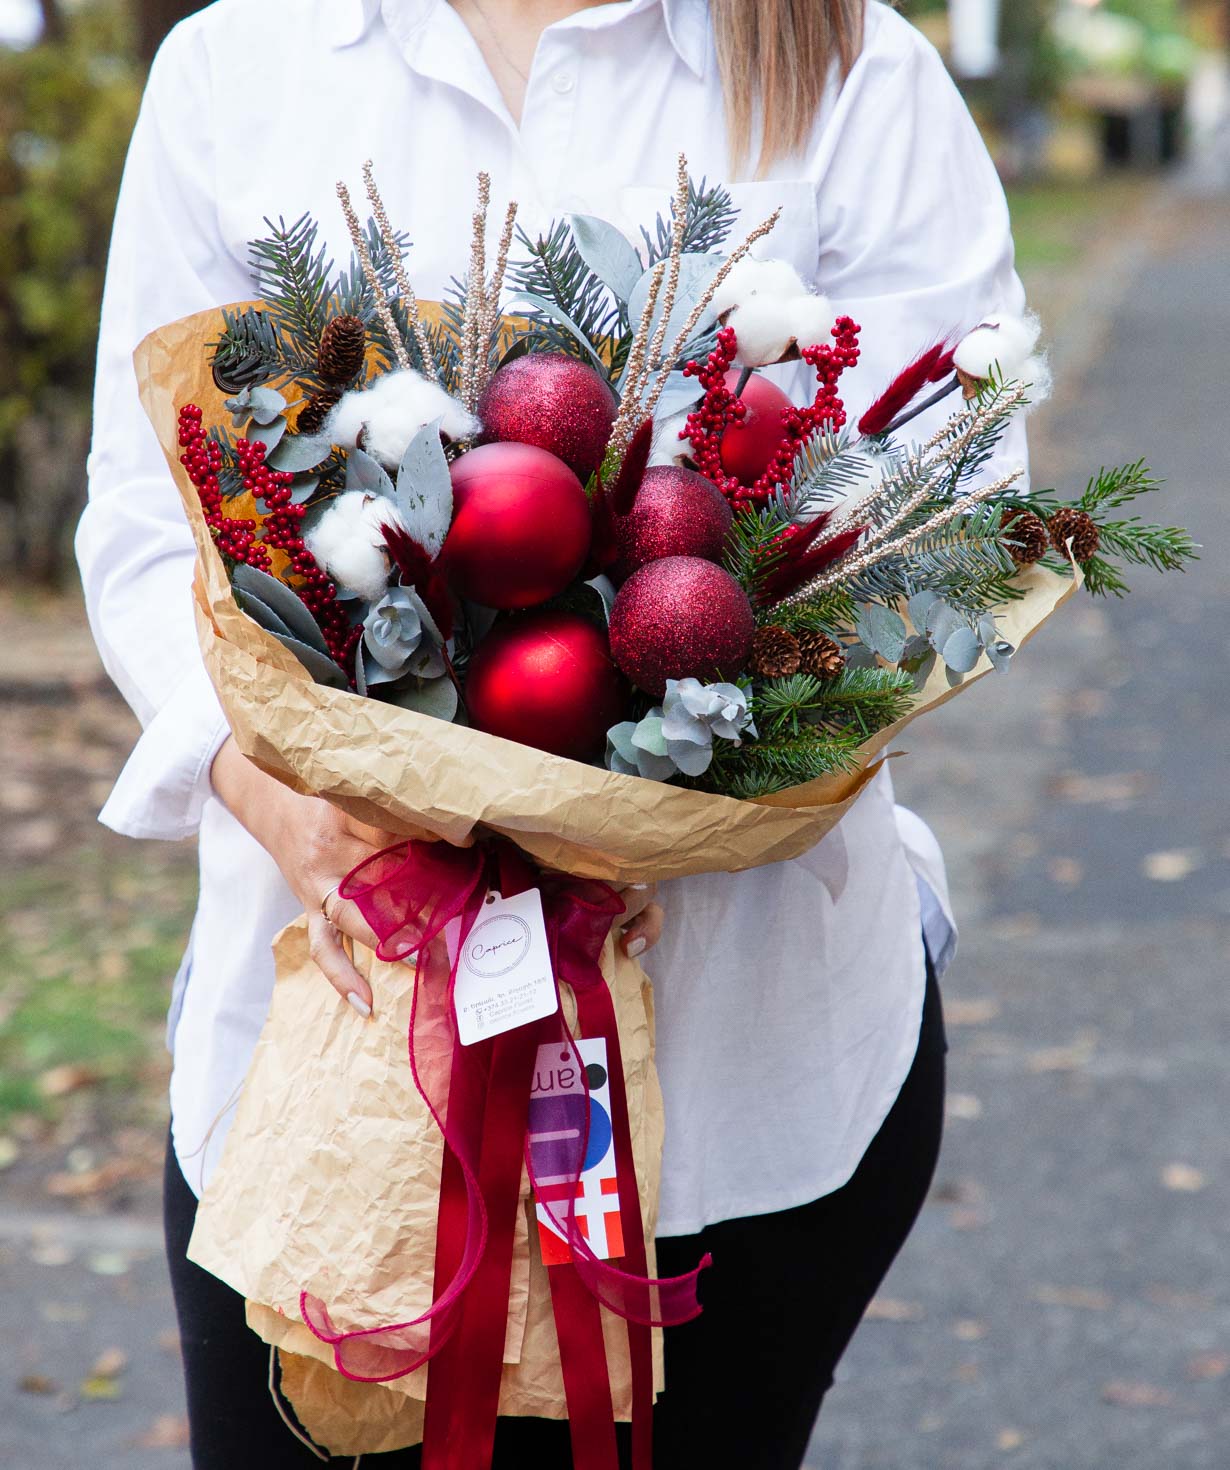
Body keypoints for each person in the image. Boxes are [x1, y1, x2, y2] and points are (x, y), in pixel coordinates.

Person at [79, 1, 1027, 1465]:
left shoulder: (846, 65)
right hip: (336, 1063)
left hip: (745, 1069)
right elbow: (151, 525)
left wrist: (691, 777)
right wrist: (276, 800)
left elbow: (945, 509)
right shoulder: (241, 59)